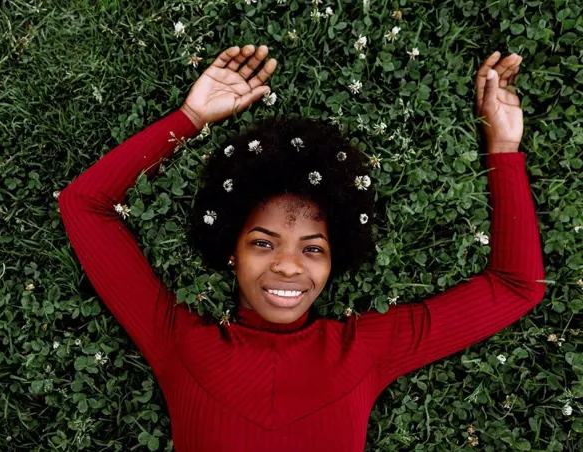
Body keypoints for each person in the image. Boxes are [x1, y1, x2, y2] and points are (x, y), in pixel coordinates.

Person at [58, 44, 545, 451]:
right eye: (263, 243)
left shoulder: (366, 350)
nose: (287, 266)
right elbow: (84, 205)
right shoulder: (179, 340)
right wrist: (190, 117)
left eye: (313, 249)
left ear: (337, 258)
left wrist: (504, 149)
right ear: (231, 250)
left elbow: (516, 286)